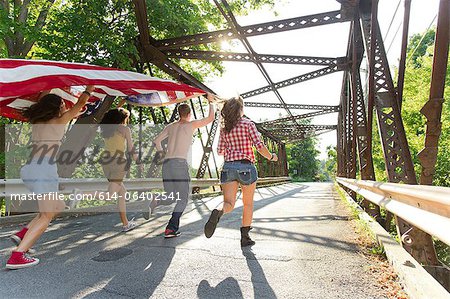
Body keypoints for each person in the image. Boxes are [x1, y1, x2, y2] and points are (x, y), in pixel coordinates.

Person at [6, 86, 94, 269]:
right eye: (62, 104)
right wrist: (89, 88)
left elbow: (45, 99)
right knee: (47, 215)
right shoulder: (60, 121)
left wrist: (49, 86)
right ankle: (17, 256)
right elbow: (80, 103)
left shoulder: (37, 121)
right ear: (57, 108)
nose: (64, 106)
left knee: (57, 206)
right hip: (43, 170)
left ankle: (24, 233)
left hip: (31, 169)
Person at [204, 96, 278, 247]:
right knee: (248, 204)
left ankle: (218, 211)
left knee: (228, 204)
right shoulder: (248, 124)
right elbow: (260, 146)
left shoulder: (225, 128)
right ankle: (245, 238)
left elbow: (219, 151)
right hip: (246, 168)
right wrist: (271, 157)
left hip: (228, 167)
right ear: (241, 109)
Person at [144, 93, 215, 238]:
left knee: (171, 197)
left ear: (178, 113)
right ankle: (171, 228)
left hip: (167, 164)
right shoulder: (191, 124)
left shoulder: (171, 126)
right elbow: (210, 119)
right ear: (188, 114)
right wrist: (211, 102)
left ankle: (156, 200)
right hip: (179, 165)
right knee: (182, 199)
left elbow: (156, 141)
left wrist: (162, 154)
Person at [99, 108, 139, 232]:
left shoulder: (107, 129)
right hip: (118, 163)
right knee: (110, 195)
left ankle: (126, 224)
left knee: (122, 192)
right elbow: (131, 149)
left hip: (106, 162)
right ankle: (78, 194)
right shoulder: (124, 129)